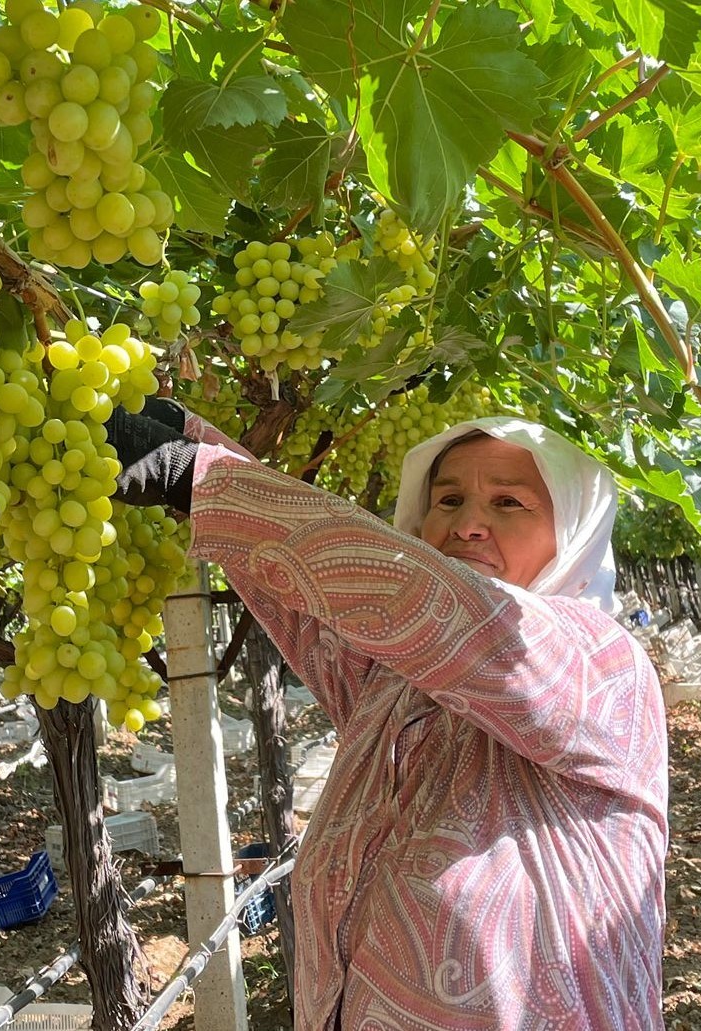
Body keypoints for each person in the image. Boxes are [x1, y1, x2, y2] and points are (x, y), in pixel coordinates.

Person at [106, 401, 667, 1031]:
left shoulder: (602, 665)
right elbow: (314, 584)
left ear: (575, 533)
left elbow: (425, 601)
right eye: (448, 501)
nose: (469, 524)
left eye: (509, 503)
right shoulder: (393, 685)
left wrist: (193, 476)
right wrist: (190, 435)